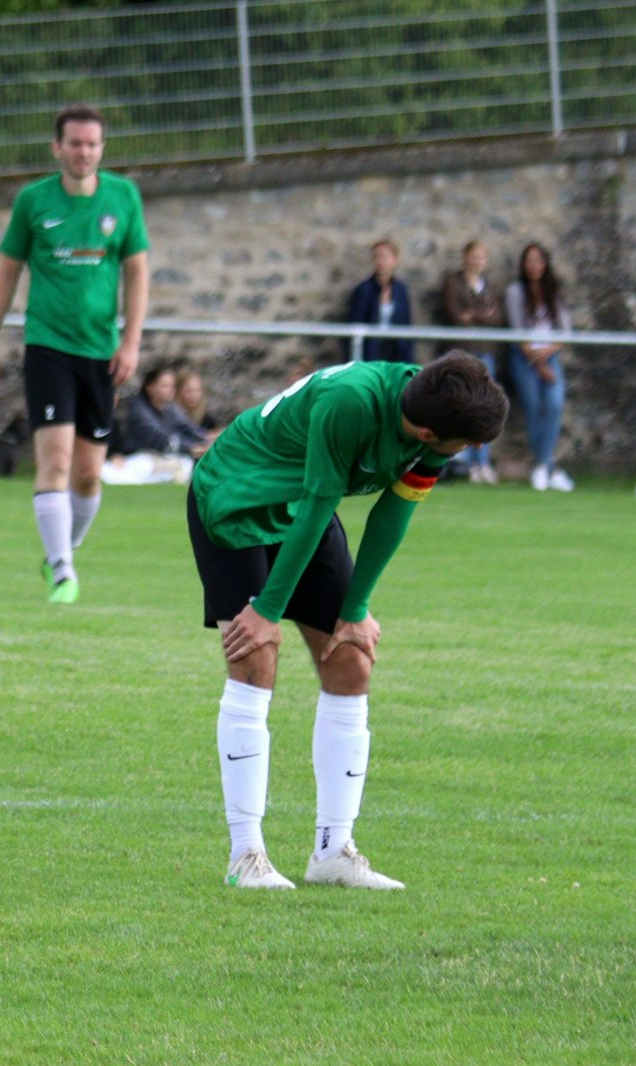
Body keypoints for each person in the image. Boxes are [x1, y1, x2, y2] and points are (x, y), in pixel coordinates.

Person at [188, 353, 506, 890]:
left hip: (303, 506)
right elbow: (318, 501)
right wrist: (266, 610)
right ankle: (246, 856)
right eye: (469, 444)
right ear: (428, 432)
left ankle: (332, 852)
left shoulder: (437, 418)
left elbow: (394, 511)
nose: (472, 452)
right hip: (238, 494)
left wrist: (355, 610)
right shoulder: (352, 404)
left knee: (351, 659)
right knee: (255, 657)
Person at [0, 103, 150, 605]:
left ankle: (64, 550)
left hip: (101, 351)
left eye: (92, 144)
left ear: (102, 149)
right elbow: (6, 274)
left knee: (89, 474)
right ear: (58, 148)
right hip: (47, 347)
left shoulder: (123, 197)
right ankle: (62, 573)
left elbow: (138, 273)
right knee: (53, 462)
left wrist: (131, 340)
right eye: (74, 143)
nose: (83, 152)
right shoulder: (34, 201)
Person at [505, 242, 573, 492]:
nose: (534, 266)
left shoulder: (554, 292)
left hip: (549, 355)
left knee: (554, 405)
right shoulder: (515, 292)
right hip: (525, 357)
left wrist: (547, 355)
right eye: (529, 261)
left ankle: (545, 465)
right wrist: (536, 361)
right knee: (534, 408)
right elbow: (517, 330)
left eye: (538, 260)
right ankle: (549, 467)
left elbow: (565, 332)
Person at [437, 240, 506, 483]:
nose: (476, 260)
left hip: (485, 352)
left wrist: (473, 315)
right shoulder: (453, 283)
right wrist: (480, 314)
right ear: (465, 257)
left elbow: (497, 316)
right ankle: (461, 460)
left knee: (486, 405)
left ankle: (482, 462)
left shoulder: (490, 286)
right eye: (472, 255)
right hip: (462, 352)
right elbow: (456, 315)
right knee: (461, 403)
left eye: (481, 256)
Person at [102, 363, 209, 485]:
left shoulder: (170, 409)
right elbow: (158, 437)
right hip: (141, 456)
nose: (169, 391)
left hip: (163, 456)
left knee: (186, 464)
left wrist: (206, 443)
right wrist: (190, 448)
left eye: (171, 387)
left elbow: (187, 428)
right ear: (150, 387)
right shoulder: (139, 409)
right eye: (165, 386)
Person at [344, 239, 415, 364]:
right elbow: (356, 323)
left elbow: (406, 324)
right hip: (371, 351)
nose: (380, 261)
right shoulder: (364, 290)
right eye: (376, 257)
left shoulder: (400, 290)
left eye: (384, 257)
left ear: (395, 260)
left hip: (395, 351)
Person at [174, 368, 220, 436]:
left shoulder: (207, 420)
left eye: (197, 391)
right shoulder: (172, 417)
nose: (193, 396)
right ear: (178, 392)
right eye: (188, 391)